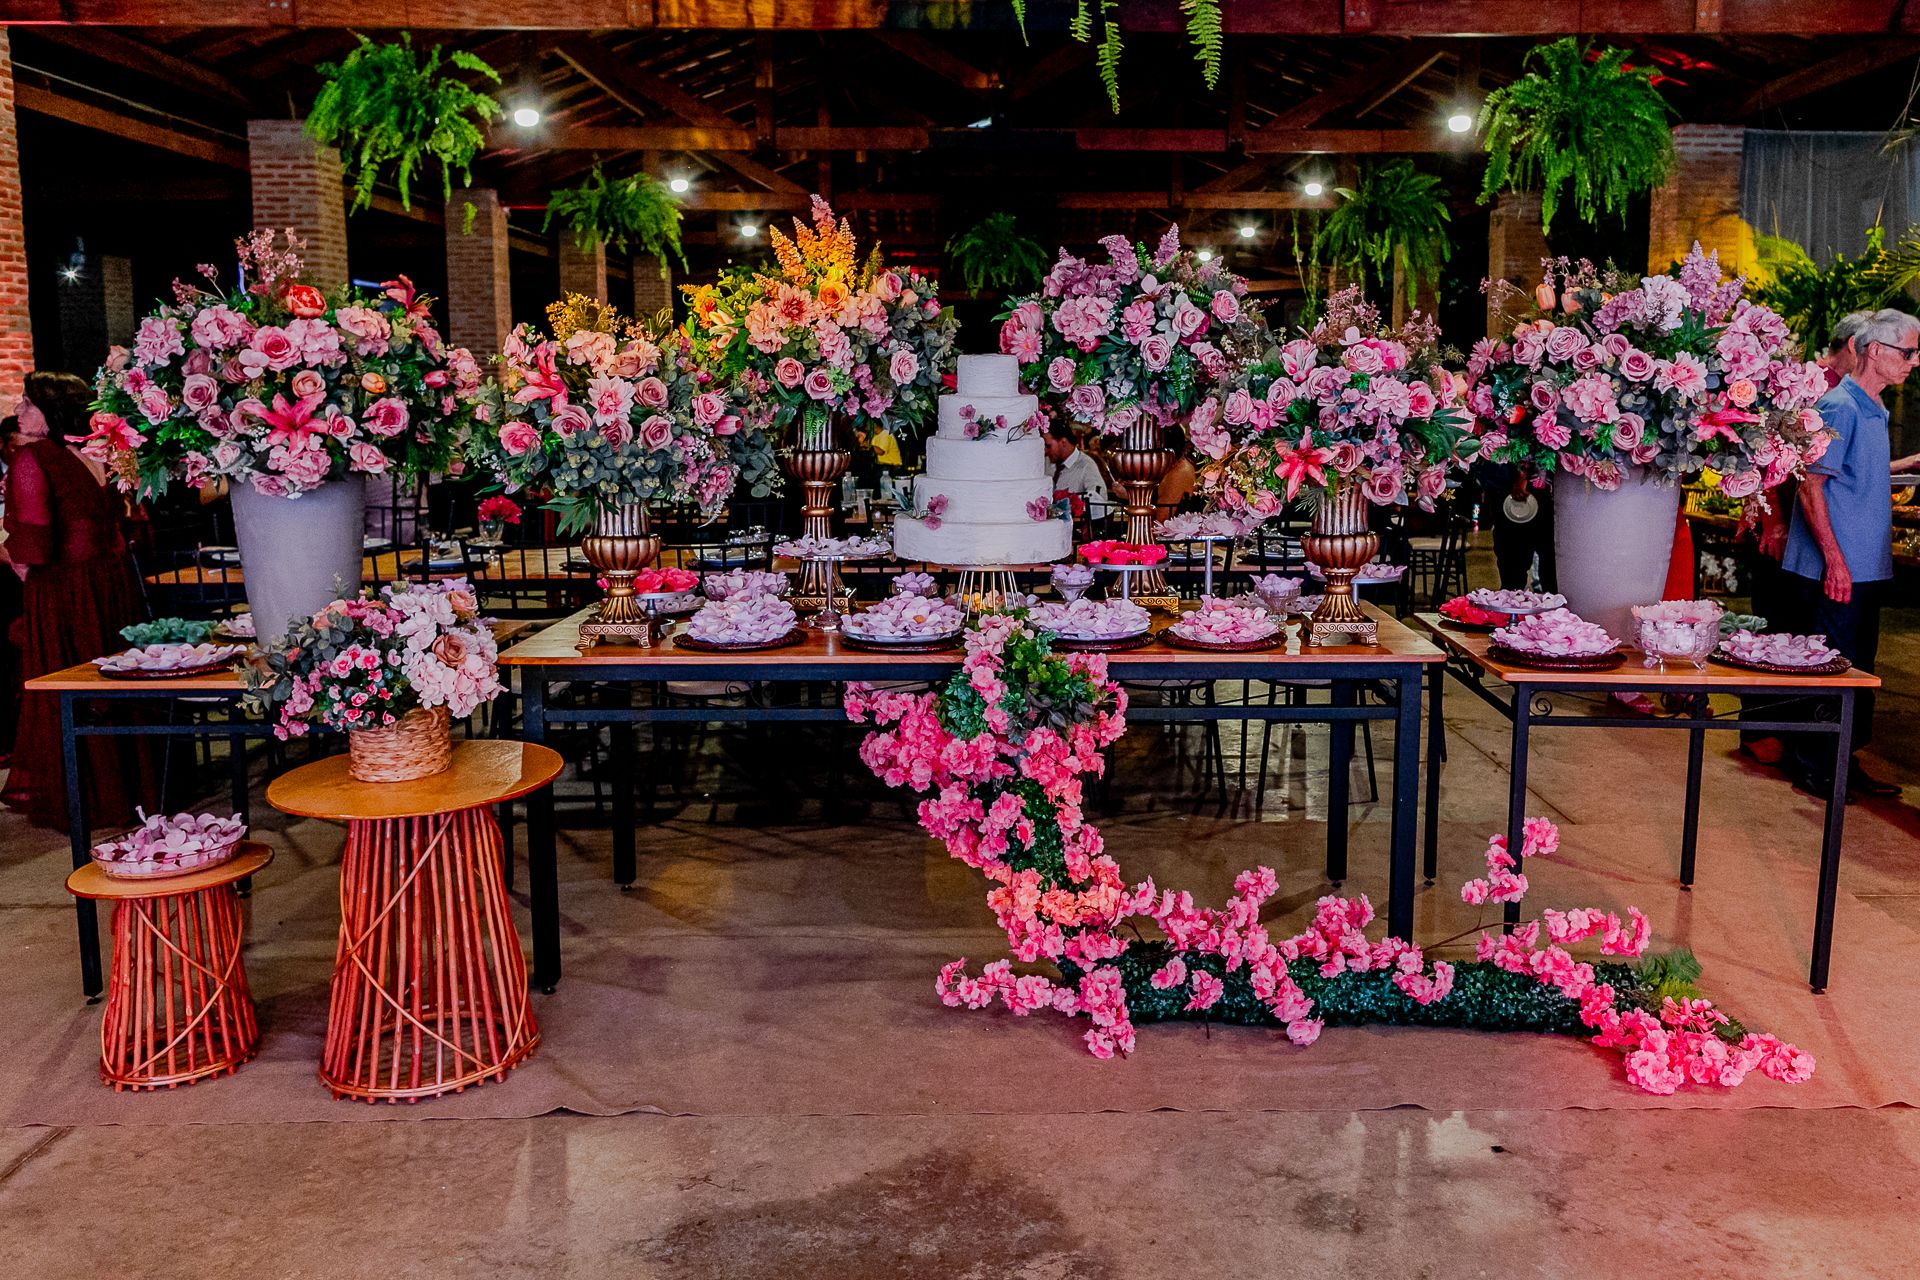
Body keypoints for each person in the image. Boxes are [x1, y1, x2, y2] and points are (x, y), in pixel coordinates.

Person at [3, 371, 158, 828]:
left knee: (69, 682)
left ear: (50, 411)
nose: (17, 411)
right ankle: (133, 786)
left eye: (26, 403)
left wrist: (19, 562)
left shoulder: (36, 458)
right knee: (112, 680)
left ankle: (88, 793)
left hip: (65, 589)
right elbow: (132, 523)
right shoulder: (99, 452)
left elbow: (34, 544)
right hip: (111, 583)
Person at [1780, 309, 1920, 797]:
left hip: (1866, 564)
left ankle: (1843, 760)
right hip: (1840, 567)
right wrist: (1835, 562)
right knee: (1832, 664)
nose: (1914, 362)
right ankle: (1816, 765)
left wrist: (1906, 464)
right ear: (1876, 351)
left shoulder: (1872, 407)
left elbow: (1855, 472)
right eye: (1908, 352)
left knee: (1859, 666)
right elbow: (1810, 486)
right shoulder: (1839, 405)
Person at [1742, 311, 1870, 765]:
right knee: (1774, 632)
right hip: (1780, 527)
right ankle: (1759, 732)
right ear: (1855, 346)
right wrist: (1773, 518)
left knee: (1799, 634)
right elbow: (1763, 450)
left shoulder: (1853, 394)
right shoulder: (1811, 384)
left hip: (1807, 532)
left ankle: (1802, 739)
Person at [1045, 423, 1111, 512]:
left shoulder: (1086, 465)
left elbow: (1099, 499)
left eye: (1048, 446)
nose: (1045, 451)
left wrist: (1073, 503)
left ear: (1063, 442)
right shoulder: (1046, 462)